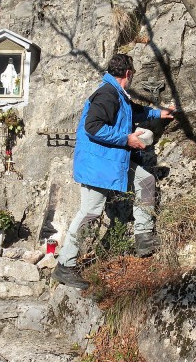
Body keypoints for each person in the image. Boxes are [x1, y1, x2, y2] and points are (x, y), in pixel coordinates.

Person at [51, 54, 175, 289]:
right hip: (98, 165)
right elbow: (93, 127)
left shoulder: (117, 94)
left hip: (111, 161)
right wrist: (126, 139)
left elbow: (132, 112)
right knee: (90, 212)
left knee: (145, 180)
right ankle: (64, 265)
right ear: (128, 74)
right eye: (133, 74)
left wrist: (159, 113)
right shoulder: (107, 94)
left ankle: (143, 237)